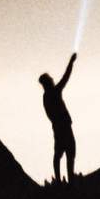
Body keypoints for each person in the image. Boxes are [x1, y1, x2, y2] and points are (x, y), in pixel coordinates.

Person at [39, 51, 77, 182]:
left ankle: (62, 179)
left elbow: (49, 115)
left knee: (61, 152)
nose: (52, 79)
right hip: (63, 126)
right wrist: (71, 62)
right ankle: (67, 179)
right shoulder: (53, 92)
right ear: (47, 82)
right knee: (68, 151)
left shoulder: (46, 97)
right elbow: (66, 77)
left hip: (59, 126)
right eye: (50, 79)